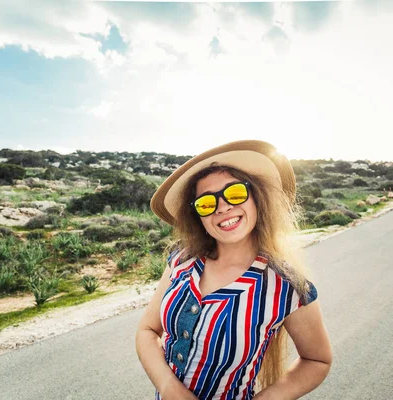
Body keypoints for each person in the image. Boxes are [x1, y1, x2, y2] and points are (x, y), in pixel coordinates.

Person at [136, 140, 333, 399]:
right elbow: (147, 331)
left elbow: (317, 360)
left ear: (256, 198)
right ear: (197, 215)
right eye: (206, 203)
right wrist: (169, 388)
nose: (223, 207)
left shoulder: (287, 287)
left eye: (235, 193)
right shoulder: (181, 260)